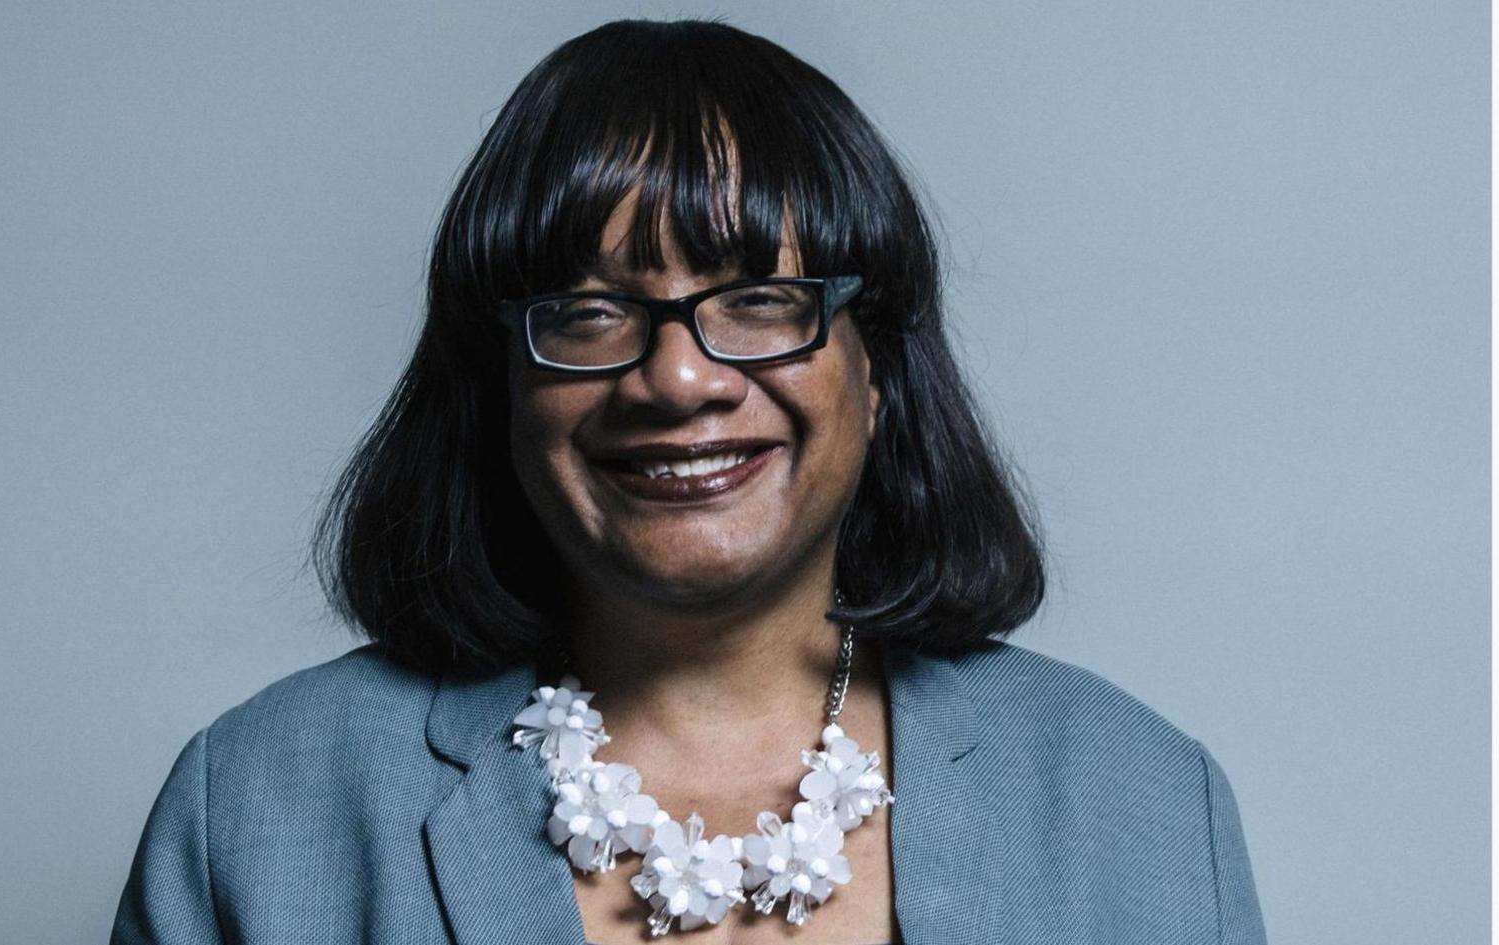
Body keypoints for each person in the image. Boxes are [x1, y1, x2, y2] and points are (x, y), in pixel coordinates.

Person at [111, 18, 1267, 945]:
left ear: (879, 372)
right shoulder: (260, 804)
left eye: (760, 300)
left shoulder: (1147, 801)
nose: (675, 377)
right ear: (500, 384)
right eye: (589, 311)